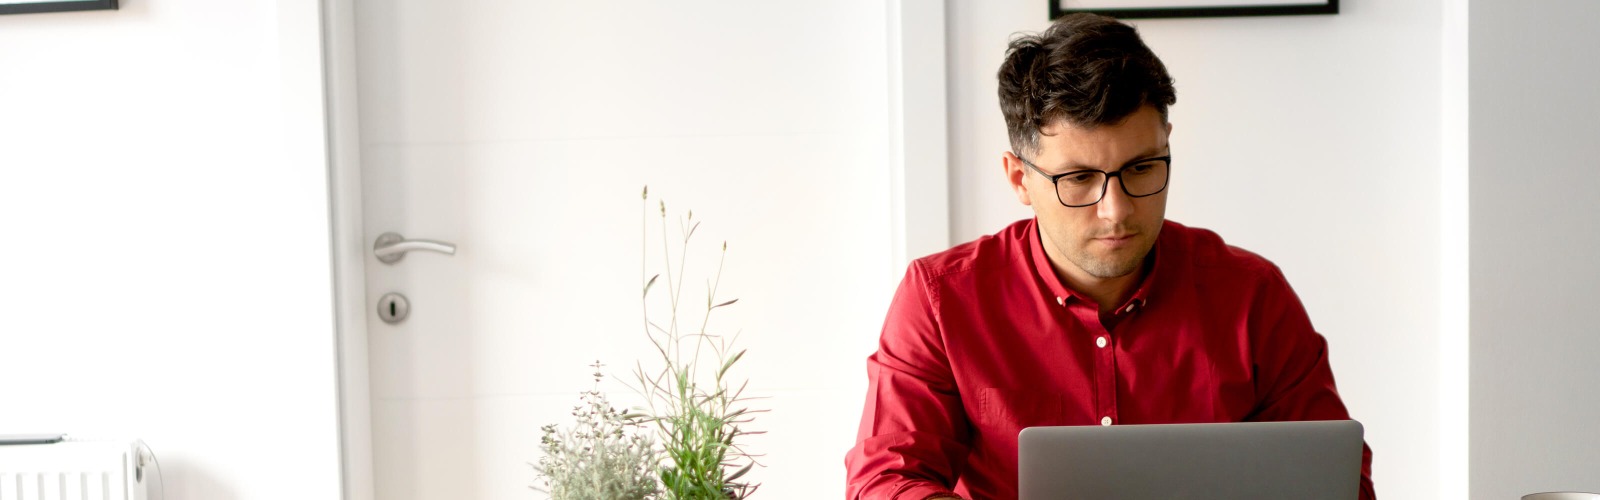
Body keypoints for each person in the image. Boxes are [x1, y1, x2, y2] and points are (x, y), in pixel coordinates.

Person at [844, 13, 1375, 500]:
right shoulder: (941, 298)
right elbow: (886, 479)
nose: (1116, 211)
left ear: (1167, 144)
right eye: (1079, 179)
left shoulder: (1252, 294)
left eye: (1142, 168)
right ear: (1018, 178)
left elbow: (1337, 481)